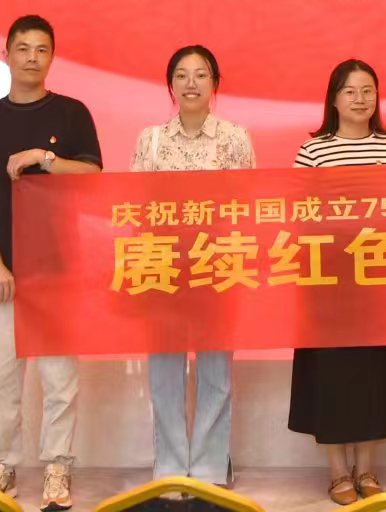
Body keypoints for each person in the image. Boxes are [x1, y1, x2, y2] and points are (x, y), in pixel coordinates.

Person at [0, 15, 103, 512]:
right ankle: (1, 465)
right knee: (0, 378)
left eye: (41, 49)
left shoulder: (73, 114)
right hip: (2, 273)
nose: (32, 57)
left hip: (58, 269)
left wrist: (45, 158)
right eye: (23, 48)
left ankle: (58, 466)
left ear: (52, 56)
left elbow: (93, 177)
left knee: (60, 378)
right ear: (6, 55)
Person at [289, 60, 386, 505]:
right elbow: (300, 213)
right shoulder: (313, 151)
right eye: (350, 91)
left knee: (373, 373)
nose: (360, 99)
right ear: (334, 99)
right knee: (331, 374)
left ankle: (366, 469)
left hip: (379, 277)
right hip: (328, 280)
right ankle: (336, 473)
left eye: (368, 91)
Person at [130, 44, 254, 488]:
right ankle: (168, 465)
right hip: (162, 265)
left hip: (217, 264)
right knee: (164, 370)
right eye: (181, 75)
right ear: (170, 85)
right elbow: (135, 207)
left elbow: (245, 204)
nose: (191, 84)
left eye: (201, 75)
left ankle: (208, 465)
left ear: (214, 84)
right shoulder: (151, 139)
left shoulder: (235, 138)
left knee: (215, 370)